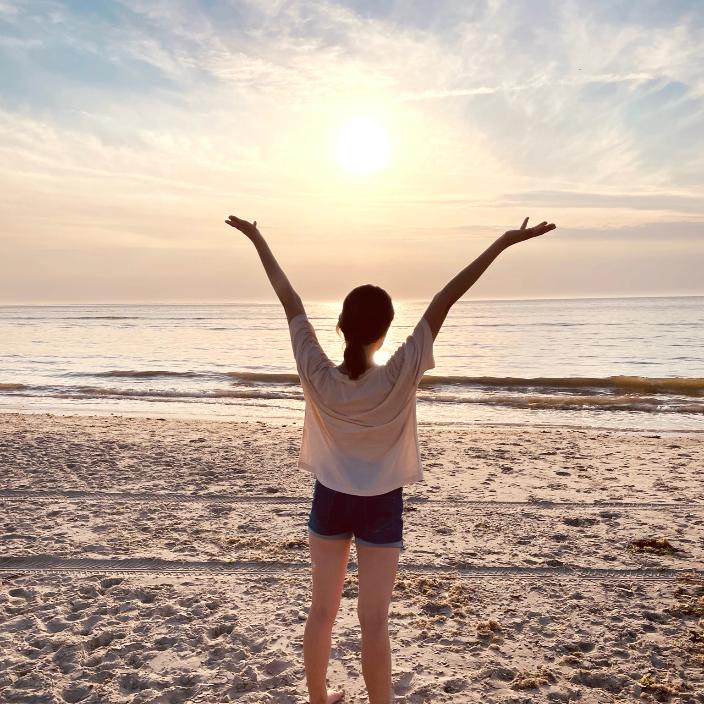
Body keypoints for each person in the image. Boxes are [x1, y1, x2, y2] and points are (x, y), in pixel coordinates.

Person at [225, 214, 557, 704]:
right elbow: (446, 299)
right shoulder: (400, 372)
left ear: (339, 325)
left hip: (330, 500)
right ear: (384, 333)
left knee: (322, 613)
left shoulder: (317, 371)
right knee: (374, 622)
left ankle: (319, 699)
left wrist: (258, 238)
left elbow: (289, 300)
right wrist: (502, 244)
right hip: (380, 505)